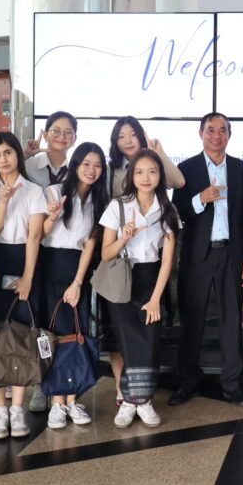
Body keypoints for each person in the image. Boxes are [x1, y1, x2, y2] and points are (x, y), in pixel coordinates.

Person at [171, 113, 243, 407]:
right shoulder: (186, 169)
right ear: (201, 133)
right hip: (197, 255)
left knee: (231, 321)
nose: (216, 135)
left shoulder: (242, 170)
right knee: (191, 320)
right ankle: (186, 382)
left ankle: (232, 385)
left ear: (229, 135)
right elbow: (176, 212)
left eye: (222, 130)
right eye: (210, 130)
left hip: (231, 254)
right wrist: (201, 199)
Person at [104, 116, 184, 404]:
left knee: (148, 336)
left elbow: (167, 260)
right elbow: (106, 250)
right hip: (119, 266)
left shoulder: (166, 208)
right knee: (121, 335)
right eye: (120, 135)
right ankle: (124, 394)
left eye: (152, 171)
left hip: (151, 272)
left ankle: (142, 398)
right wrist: (122, 237)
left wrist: (158, 154)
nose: (145, 177)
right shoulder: (114, 189)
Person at [0, 132, 47, 439]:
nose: (3, 159)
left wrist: (28, 276)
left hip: (24, 259)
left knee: (21, 333)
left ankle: (17, 407)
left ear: (18, 154)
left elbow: (35, 235)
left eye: (8, 152)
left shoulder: (34, 190)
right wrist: (2, 202)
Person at [40, 142, 110, 428]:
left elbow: (90, 244)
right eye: (86, 164)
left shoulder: (100, 200)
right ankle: (57, 403)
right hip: (50, 265)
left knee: (77, 333)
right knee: (54, 333)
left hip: (78, 269)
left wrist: (78, 282)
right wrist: (52, 216)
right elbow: (39, 233)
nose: (92, 170)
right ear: (76, 164)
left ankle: (72, 399)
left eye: (98, 165)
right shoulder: (55, 191)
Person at [25, 111, 78, 187]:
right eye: (56, 131)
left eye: (68, 132)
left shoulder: (77, 172)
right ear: (45, 135)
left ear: (75, 138)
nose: (62, 136)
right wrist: (25, 155)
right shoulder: (28, 165)